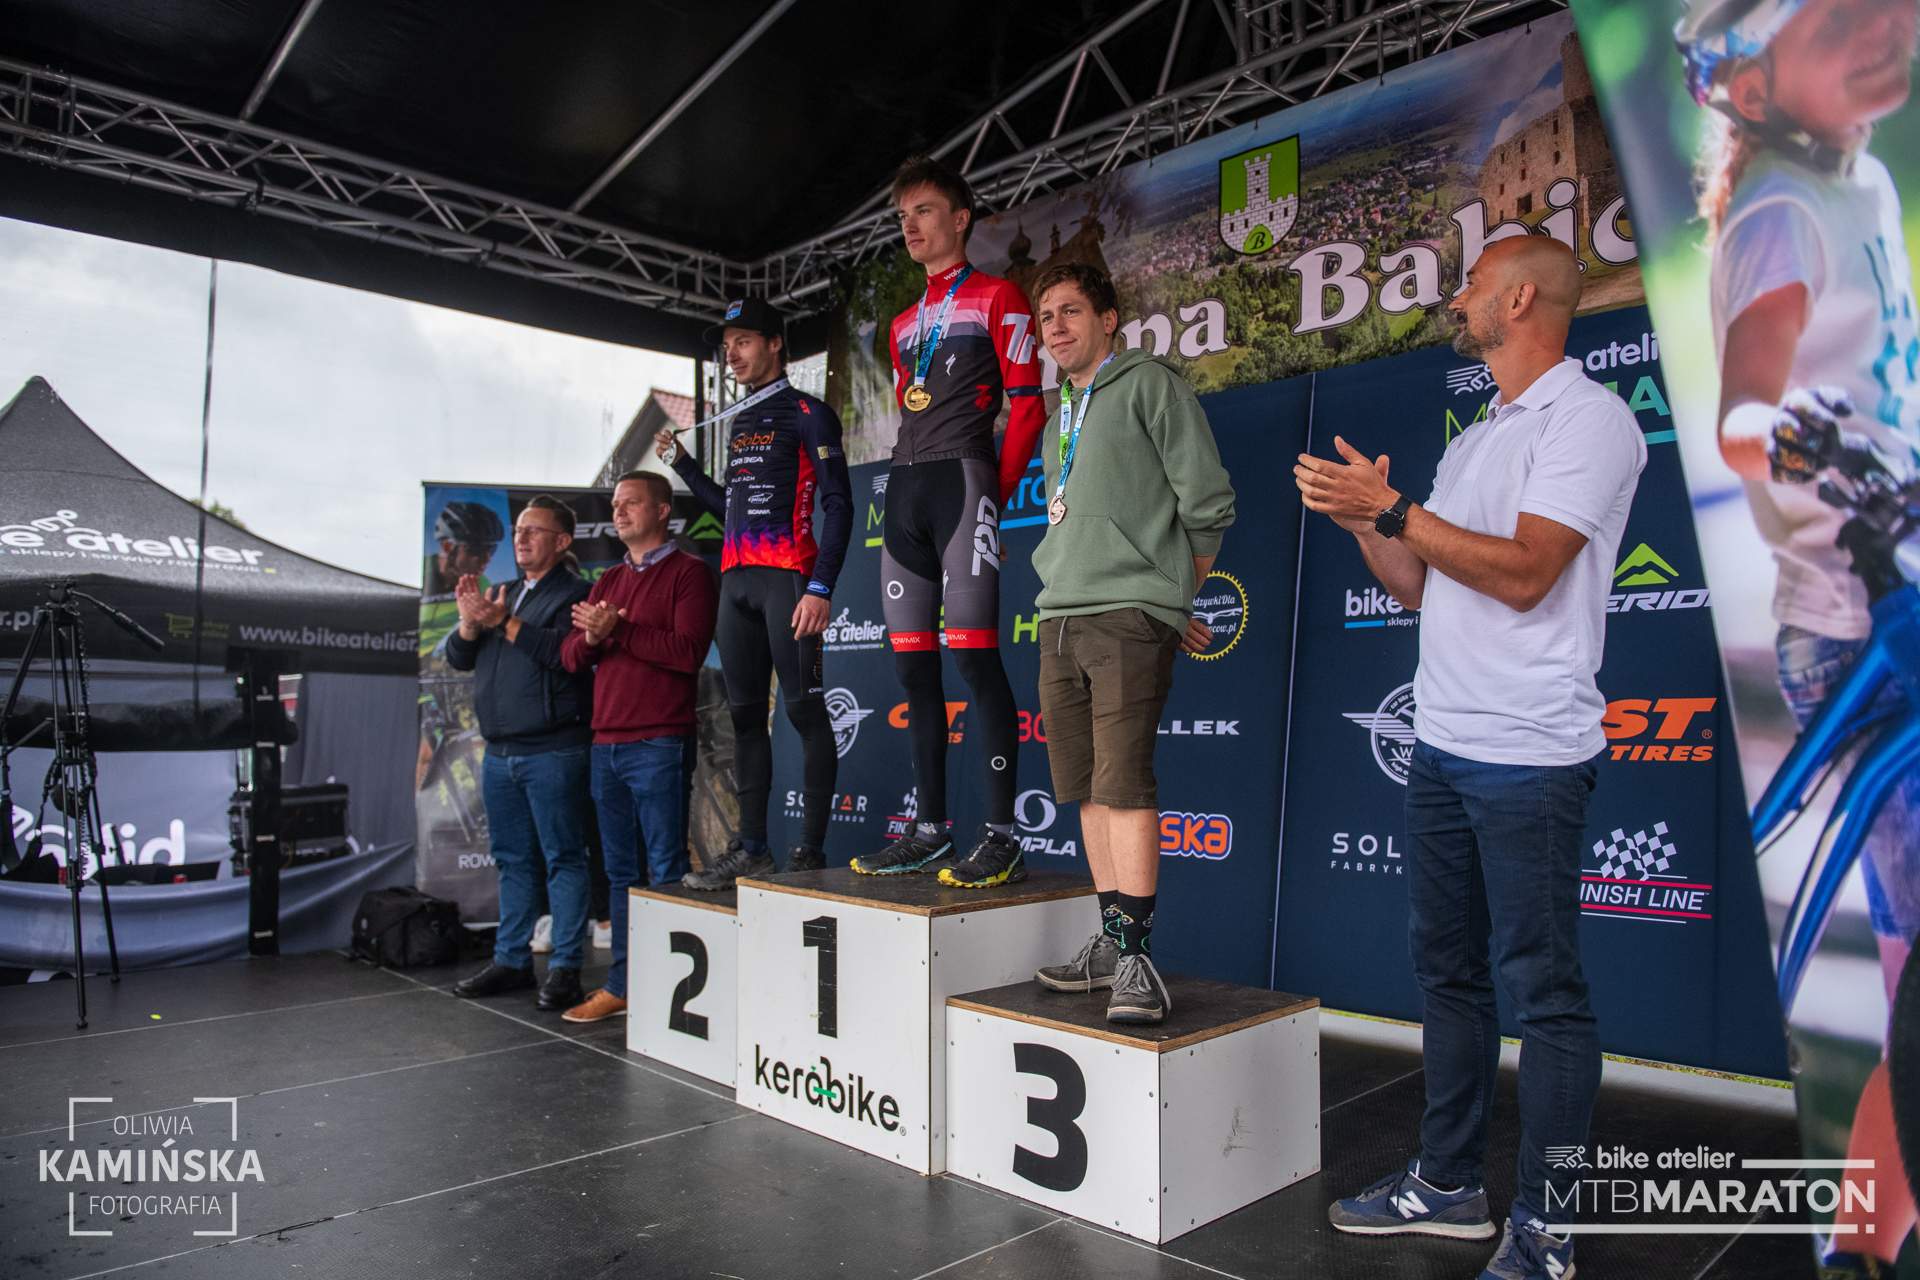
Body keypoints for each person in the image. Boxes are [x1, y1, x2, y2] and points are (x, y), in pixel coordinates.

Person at [1296, 236, 1645, 1280]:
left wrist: (1398, 511)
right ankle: (1448, 1183)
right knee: (1447, 973)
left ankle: (1548, 1227)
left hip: (1529, 752)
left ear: (1522, 297)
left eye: (1474, 284)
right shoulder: (1482, 431)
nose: (1458, 299)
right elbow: (1419, 584)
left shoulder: (1590, 419)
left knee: (1545, 995)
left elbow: (1530, 573)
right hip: (1442, 746)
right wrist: (1368, 523)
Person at [1678, 0, 1920, 1268]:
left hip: (1900, 596)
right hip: (1860, 619)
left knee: (1911, 990)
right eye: (1838, 24)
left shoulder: (1861, 176)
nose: (1883, 27)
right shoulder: (1781, 206)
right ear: (1757, 90)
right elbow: (1742, 413)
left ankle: (1859, 1248)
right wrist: (1809, 445)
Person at [1023, 263, 1234, 1023]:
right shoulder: (1059, 417)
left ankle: (1138, 959)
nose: (1056, 326)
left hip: (1126, 613)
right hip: (1059, 616)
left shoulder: (1151, 386)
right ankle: (1113, 942)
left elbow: (1207, 502)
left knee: (1124, 784)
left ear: (1109, 319)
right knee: (1086, 789)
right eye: (1046, 316)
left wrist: (1169, 597)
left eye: (1071, 310)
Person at [849, 153, 1046, 888]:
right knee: (912, 666)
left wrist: (996, 492)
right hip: (904, 490)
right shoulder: (904, 324)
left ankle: (1002, 835)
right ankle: (930, 830)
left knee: (974, 660)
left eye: (924, 211)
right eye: (903, 216)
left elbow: (1028, 407)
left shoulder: (1001, 296)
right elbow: (912, 407)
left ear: (961, 219)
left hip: (965, 483)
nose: (910, 226)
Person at [655, 296, 853, 887]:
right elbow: (731, 509)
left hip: (788, 579)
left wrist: (820, 587)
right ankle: (752, 849)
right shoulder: (740, 422)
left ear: (774, 343)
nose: (733, 354)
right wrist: (684, 466)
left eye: (743, 341)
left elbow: (840, 504)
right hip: (735, 582)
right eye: (727, 346)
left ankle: (810, 850)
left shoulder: (808, 413)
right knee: (744, 719)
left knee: (803, 711)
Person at [559, 471, 719, 1023]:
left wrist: (618, 632)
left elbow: (688, 653)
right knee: (620, 872)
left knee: (665, 867)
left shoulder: (690, 573)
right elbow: (571, 658)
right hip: (606, 743)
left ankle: (670, 994)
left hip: (658, 740)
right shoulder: (608, 579)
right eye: (615, 504)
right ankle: (624, 984)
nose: (619, 511)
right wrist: (593, 636)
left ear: (662, 511)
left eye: (631, 503)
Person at [443, 496, 594, 1013]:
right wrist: (470, 624)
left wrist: (502, 620)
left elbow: (564, 656)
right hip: (500, 754)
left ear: (562, 541)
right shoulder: (502, 593)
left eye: (534, 530)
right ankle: (511, 961)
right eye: (518, 531)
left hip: (554, 749)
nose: (522, 538)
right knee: (512, 861)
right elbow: (459, 658)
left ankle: (566, 968)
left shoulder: (577, 594)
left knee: (564, 858)